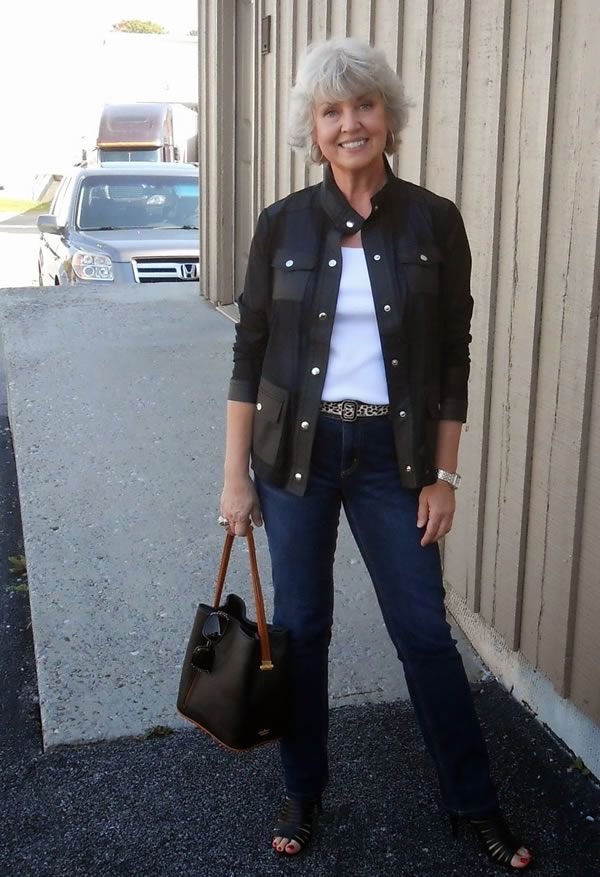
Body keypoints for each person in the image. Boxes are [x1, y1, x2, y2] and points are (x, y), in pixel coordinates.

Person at [219, 37, 533, 870]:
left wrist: (444, 474)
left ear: (388, 116)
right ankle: (302, 789)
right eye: (332, 110)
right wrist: (234, 478)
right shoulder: (281, 224)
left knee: (424, 631)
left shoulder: (435, 220)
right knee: (301, 628)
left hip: (396, 458)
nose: (350, 122)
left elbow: (455, 356)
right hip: (297, 455)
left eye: (363, 104)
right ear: (313, 127)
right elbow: (249, 353)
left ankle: (474, 802)